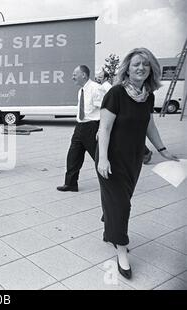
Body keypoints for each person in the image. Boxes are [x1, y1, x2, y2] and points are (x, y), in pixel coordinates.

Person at [96, 47, 178, 279]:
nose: (140, 67)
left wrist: (162, 150)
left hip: (133, 158)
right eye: (135, 64)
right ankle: (121, 250)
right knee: (122, 205)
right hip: (110, 158)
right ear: (127, 69)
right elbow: (105, 128)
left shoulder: (148, 95)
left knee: (120, 201)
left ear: (151, 68)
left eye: (145, 64)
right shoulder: (116, 93)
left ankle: (109, 228)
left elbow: (149, 125)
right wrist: (102, 158)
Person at [57, 65, 103, 192]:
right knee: (73, 156)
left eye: (74, 74)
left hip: (92, 127)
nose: (72, 77)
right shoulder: (81, 90)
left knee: (99, 157)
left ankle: (113, 183)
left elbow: (105, 109)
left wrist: (101, 129)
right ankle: (71, 184)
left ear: (83, 75)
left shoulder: (96, 89)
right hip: (80, 127)